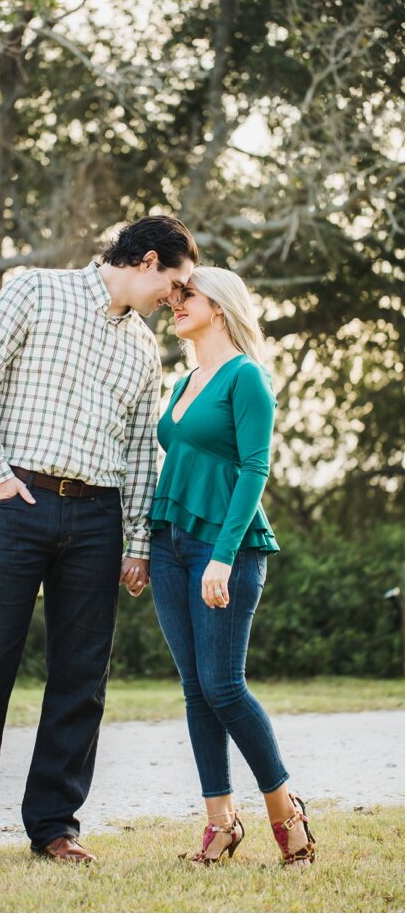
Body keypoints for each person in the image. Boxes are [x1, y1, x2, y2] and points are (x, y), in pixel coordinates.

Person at [0, 215, 196, 867]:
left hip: (97, 516)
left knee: (81, 676)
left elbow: (136, 453)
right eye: (175, 283)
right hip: (17, 501)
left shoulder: (143, 350)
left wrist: (135, 542)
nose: (175, 297)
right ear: (148, 260)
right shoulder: (33, 290)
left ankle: (53, 824)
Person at [148, 266, 313, 866]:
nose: (175, 303)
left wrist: (220, 556)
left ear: (218, 305)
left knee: (223, 684)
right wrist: (143, 545)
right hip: (169, 545)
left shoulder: (248, 378)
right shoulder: (185, 381)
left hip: (229, 550)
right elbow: (173, 464)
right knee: (196, 689)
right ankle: (221, 824)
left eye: (185, 295)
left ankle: (284, 809)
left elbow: (254, 469)